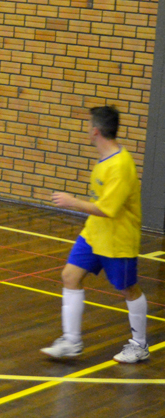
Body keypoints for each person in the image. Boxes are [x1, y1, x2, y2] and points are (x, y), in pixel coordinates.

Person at [41, 105, 149, 363]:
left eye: (89, 126)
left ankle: (139, 345)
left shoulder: (120, 166)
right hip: (94, 233)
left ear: (96, 131)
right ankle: (71, 341)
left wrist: (72, 202)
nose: (87, 130)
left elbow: (108, 209)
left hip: (118, 239)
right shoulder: (104, 160)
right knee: (69, 276)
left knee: (128, 288)